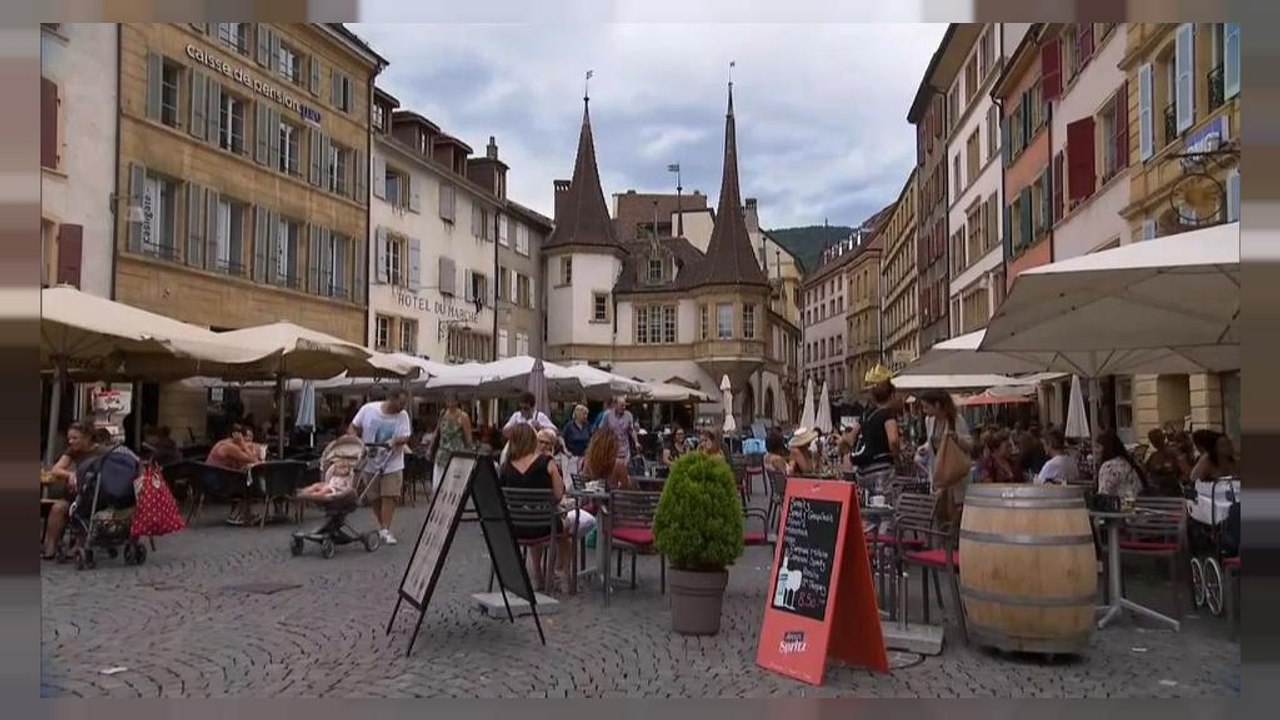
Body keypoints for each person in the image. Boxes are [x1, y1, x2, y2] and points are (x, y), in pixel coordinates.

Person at [348, 389, 414, 545]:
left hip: (392, 461)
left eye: (405, 404)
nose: (403, 407)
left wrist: (396, 441)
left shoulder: (403, 416)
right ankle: (382, 526)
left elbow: (406, 436)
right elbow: (353, 427)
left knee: (389, 495)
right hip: (370, 460)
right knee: (374, 497)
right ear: (391, 398)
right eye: (401, 403)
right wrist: (355, 442)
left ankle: (385, 529)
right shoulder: (368, 409)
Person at [42, 422, 98, 559]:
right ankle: (50, 548)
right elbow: (56, 468)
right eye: (69, 438)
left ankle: (79, 545)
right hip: (73, 495)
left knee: (83, 510)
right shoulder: (73, 451)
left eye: (75, 438)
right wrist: (71, 474)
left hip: (92, 495)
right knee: (58, 508)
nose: (71, 441)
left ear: (87, 437)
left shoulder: (101, 452)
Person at [847, 380, 900, 494]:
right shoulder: (888, 415)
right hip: (881, 469)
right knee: (884, 504)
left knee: (866, 502)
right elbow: (894, 440)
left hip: (862, 470)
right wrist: (896, 454)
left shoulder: (866, 415)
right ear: (892, 395)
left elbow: (850, 438)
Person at [206, 424, 260, 525]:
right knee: (248, 483)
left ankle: (244, 514)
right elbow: (253, 459)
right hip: (216, 481)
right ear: (239, 437)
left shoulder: (224, 442)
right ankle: (238, 515)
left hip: (214, 476)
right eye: (247, 439)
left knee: (245, 480)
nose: (249, 443)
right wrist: (243, 445)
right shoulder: (230, 447)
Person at [917, 388, 974, 477]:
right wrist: (925, 447)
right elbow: (932, 440)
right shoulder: (929, 420)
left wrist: (957, 438)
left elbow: (970, 444)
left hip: (954, 471)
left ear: (937, 405)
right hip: (938, 470)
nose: (924, 411)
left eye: (926, 407)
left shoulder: (956, 420)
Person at [430, 394, 473, 494]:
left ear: (457, 402)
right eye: (447, 399)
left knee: (452, 486)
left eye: (451, 400)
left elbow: (468, 438)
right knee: (438, 486)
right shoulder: (443, 413)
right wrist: (430, 447)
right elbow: (437, 432)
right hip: (442, 453)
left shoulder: (463, 417)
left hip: (456, 453)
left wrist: (469, 453)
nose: (449, 402)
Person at [1095, 430, 1147, 500]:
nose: (1095, 450)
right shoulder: (1128, 463)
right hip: (1135, 503)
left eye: (1098, 447)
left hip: (1116, 506)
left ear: (1106, 448)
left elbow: (1103, 494)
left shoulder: (1108, 467)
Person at [1144, 428, 1189, 496]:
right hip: (1156, 490)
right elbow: (1145, 470)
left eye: (1157, 439)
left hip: (1171, 489)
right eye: (1153, 440)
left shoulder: (1174, 453)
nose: (1155, 442)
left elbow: (1185, 471)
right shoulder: (1153, 456)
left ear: (1163, 438)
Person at [599, 396, 640, 463]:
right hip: (611, 448)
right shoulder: (607, 415)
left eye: (624, 405)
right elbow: (601, 430)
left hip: (624, 449)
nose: (623, 407)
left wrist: (636, 442)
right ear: (615, 405)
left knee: (623, 470)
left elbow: (631, 430)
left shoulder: (628, 415)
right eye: (621, 405)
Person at [560, 404, 593, 478]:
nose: (586, 416)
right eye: (584, 414)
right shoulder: (569, 426)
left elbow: (592, 438)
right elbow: (561, 438)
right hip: (571, 456)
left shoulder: (587, 426)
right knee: (570, 478)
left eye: (586, 414)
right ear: (578, 414)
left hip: (583, 457)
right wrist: (565, 450)